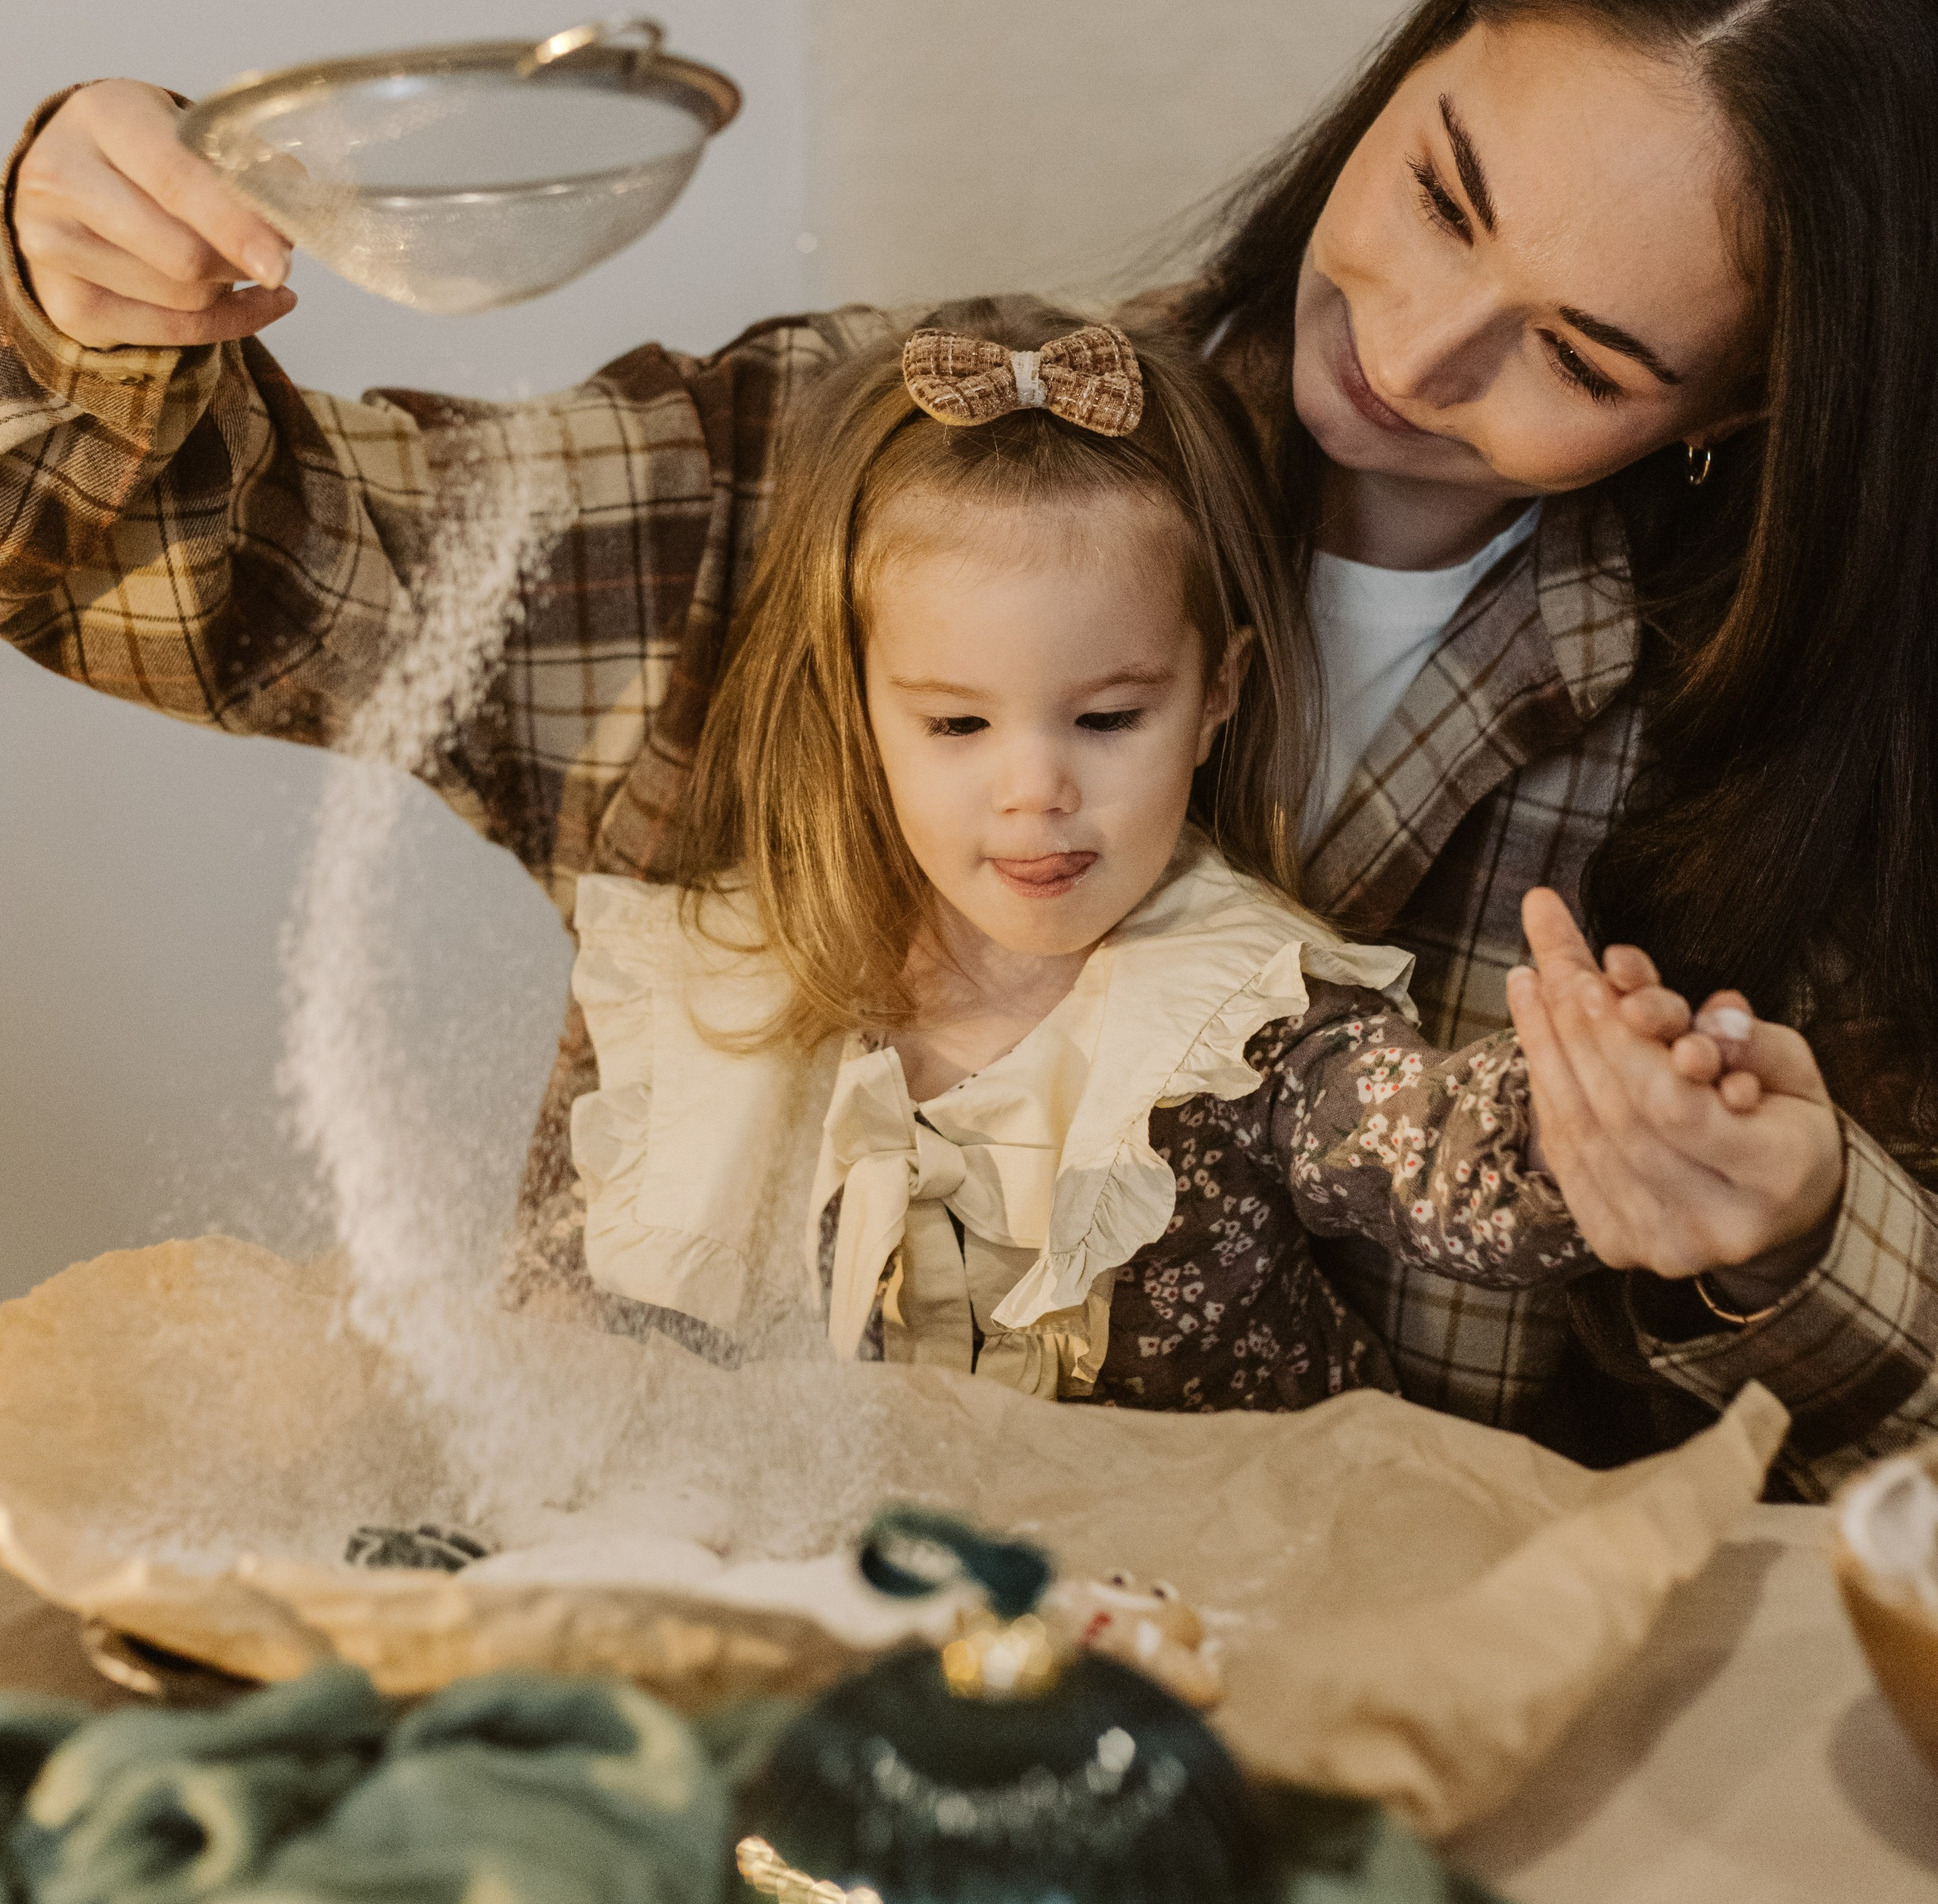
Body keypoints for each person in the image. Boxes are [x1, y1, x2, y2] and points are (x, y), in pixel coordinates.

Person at [5, 0, 1934, 1486]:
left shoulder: (1778, 733)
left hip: (1385, 1773)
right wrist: (78, 287)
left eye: (1581, 357)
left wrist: (1778, 1230)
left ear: (1745, 407)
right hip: (720, 1644)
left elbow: (1891, 1449)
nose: (1413, 353)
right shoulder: (865, 470)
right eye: (1437, 191)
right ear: (1412, 58)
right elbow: (208, 570)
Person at [563, 301, 1822, 1407]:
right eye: (956, 722)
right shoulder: (737, 973)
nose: (1035, 792)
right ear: (860, 706)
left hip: (1224, 1594)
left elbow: (1431, 1155)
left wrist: (1596, 1115)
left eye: (1109, 719)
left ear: (1217, 693)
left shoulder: (1245, 1008)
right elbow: (586, 1308)